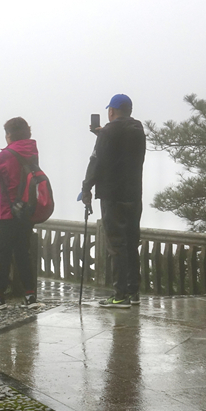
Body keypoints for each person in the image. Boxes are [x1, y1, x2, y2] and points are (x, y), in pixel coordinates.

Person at [82, 94, 146, 308]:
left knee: (117, 245)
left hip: (112, 195)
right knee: (131, 242)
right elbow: (122, 149)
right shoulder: (138, 130)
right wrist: (102, 134)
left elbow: (96, 162)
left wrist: (86, 188)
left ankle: (120, 295)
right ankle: (133, 292)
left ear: (111, 111)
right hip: (134, 195)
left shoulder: (108, 133)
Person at [0, 117, 39, 310]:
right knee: (23, 253)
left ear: (9, 135)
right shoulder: (31, 151)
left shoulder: (6, 155)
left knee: (3, 256)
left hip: (7, 212)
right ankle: (30, 296)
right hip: (26, 212)